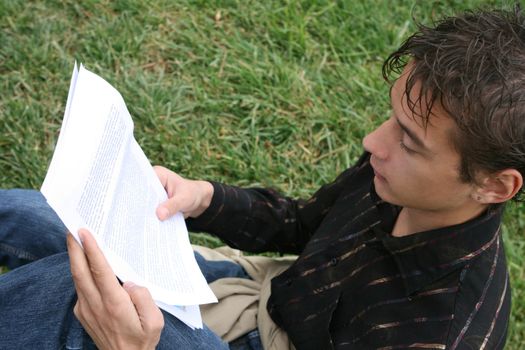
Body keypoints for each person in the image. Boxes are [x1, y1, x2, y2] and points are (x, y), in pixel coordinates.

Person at [0, 6, 523, 349]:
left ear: (495, 185)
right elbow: (299, 223)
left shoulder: (448, 332)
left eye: (409, 141)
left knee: (80, 289)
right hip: (259, 292)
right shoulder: (391, 172)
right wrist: (204, 198)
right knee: (44, 219)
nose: (374, 143)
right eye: (392, 119)